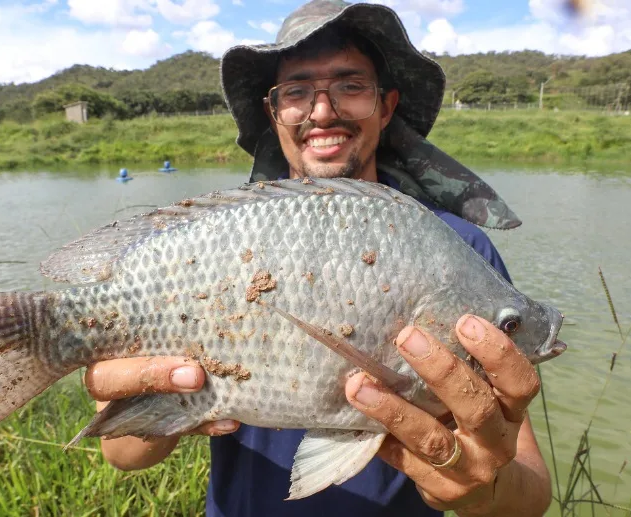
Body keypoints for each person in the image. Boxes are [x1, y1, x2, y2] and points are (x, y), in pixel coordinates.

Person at [84, 1, 552, 515]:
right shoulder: (220, 238)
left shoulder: (460, 247)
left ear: (386, 106)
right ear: (274, 112)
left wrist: (486, 487)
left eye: (351, 86)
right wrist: (153, 395)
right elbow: (122, 455)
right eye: (297, 91)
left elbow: (529, 497)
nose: (323, 112)